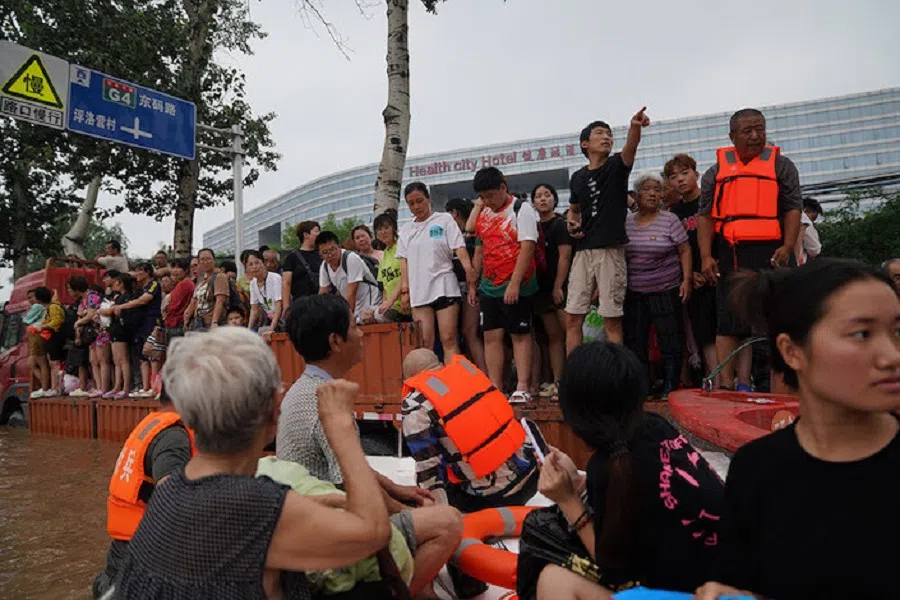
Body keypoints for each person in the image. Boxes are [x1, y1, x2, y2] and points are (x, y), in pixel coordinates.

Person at [111, 327, 393, 599]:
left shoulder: (170, 491)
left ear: (191, 417)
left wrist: (313, 505)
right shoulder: (259, 507)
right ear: (273, 412)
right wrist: (339, 426)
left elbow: (226, 530)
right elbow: (374, 532)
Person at [695, 259, 900, 600]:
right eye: (862, 334)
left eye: (897, 331)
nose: (891, 355)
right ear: (792, 351)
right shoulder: (757, 469)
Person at [278, 294, 464, 597]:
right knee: (448, 522)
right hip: (329, 532)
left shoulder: (306, 390)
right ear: (336, 341)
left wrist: (396, 488)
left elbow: (346, 467)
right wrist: (406, 509)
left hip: (313, 519)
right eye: (355, 326)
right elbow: (349, 485)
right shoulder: (327, 403)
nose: (362, 333)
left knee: (423, 511)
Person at [525, 342, 724, 600]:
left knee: (550, 572)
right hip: (732, 580)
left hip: (693, 592)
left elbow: (614, 570)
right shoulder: (655, 427)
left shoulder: (607, 467)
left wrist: (567, 500)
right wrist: (580, 482)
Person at [697, 108, 802, 391]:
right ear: (732, 136)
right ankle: (725, 387)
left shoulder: (782, 166)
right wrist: (706, 256)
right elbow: (705, 216)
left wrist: (788, 246)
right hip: (731, 252)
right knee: (728, 322)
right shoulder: (715, 172)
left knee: (780, 320)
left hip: (775, 252)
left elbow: (793, 207)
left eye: (760, 130)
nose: (756, 136)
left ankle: (783, 390)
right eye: (748, 131)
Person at [401, 348, 538, 509]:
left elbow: (427, 464)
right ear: (439, 364)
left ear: (410, 378)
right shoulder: (468, 372)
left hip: (496, 496)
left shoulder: (415, 402)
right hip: (533, 477)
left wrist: (436, 510)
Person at [92, 386, 194, 598]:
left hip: (122, 558)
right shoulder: (174, 437)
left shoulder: (153, 424)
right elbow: (171, 498)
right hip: (139, 570)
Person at [565, 107, 651, 351]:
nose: (607, 138)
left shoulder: (616, 167)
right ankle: (575, 378)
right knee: (572, 318)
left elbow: (630, 149)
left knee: (612, 321)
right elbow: (574, 209)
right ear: (585, 144)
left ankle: (618, 379)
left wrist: (635, 127)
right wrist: (572, 223)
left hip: (610, 252)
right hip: (582, 253)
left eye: (610, 134)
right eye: (600, 134)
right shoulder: (577, 177)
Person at [469, 167, 539, 402]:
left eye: (490, 195)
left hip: (517, 283)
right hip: (489, 286)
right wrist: (473, 283)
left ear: (503, 187)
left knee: (519, 334)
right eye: (482, 197)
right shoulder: (484, 213)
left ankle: (522, 386)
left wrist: (515, 284)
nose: (487, 201)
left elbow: (527, 247)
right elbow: (479, 248)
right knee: (491, 335)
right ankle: (496, 387)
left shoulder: (521, 209)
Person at [623, 172, 692, 399]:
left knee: (670, 339)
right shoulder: (627, 222)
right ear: (637, 194)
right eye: (647, 189)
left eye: (657, 190)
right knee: (636, 341)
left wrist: (686, 280)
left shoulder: (669, 220)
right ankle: (643, 386)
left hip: (666, 287)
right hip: (635, 291)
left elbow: (684, 250)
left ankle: (670, 386)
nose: (653, 194)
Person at [398, 182, 474, 362]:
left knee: (448, 338)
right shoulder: (406, 230)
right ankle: (432, 386)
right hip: (419, 291)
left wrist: (469, 271)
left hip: (444, 285)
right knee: (425, 341)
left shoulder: (444, 220)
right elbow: (404, 260)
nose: (416, 206)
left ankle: (454, 383)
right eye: (411, 203)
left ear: (428, 198)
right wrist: (404, 290)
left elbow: (459, 248)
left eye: (420, 201)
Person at [666, 153, 719, 388]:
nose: (680, 180)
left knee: (728, 329)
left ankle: (736, 381)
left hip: (719, 273)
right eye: (673, 177)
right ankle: (715, 382)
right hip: (694, 280)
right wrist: (690, 274)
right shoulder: (673, 213)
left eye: (685, 173)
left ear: (696, 174)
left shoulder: (711, 201)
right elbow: (676, 251)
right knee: (703, 333)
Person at [531, 183, 572, 400]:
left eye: (547, 194)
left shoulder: (560, 225)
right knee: (553, 337)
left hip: (561, 287)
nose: (543, 199)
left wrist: (559, 285)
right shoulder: (534, 227)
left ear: (555, 199)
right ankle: (558, 382)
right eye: (538, 196)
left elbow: (564, 257)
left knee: (570, 333)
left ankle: (575, 380)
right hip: (541, 289)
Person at [445, 197, 486, 372]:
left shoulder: (470, 236)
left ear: (454, 213)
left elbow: (476, 264)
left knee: (470, 332)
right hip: (457, 289)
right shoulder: (459, 236)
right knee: (465, 333)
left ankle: (485, 376)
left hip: (471, 288)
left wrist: (472, 287)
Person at [114, 263, 162, 398]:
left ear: (147, 272)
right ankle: (145, 387)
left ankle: (154, 387)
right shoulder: (139, 288)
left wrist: (123, 306)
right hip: (141, 323)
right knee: (142, 356)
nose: (137, 274)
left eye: (139, 271)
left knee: (152, 354)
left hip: (152, 321)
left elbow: (144, 300)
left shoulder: (153, 285)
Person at [317, 231, 383, 325]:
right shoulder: (324, 266)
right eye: (325, 252)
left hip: (371, 305)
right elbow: (322, 294)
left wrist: (346, 321)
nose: (330, 255)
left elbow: (352, 293)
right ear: (320, 254)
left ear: (339, 247)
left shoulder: (351, 258)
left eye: (333, 249)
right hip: (354, 309)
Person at [100, 273, 138, 399]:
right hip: (115, 329)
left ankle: (126, 387)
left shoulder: (126, 297)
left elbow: (109, 311)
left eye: (117, 282)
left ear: (122, 283)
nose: (114, 284)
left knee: (123, 359)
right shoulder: (119, 297)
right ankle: (117, 386)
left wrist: (103, 311)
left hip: (122, 330)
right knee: (116, 360)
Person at [28, 287, 65, 398]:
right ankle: (54, 387)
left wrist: (42, 326)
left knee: (55, 364)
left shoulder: (53, 307)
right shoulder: (52, 305)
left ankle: (56, 388)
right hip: (51, 338)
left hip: (55, 337)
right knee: (52, 363)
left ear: (39, 299)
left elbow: (57, 321)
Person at [373, 213, 411, 323]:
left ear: (394, 228)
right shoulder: (384, 255)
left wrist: (390, 301)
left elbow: (405, 276)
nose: (383, 232)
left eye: (386, 227)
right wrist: (385, 304)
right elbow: (385, 286)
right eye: (379, 229)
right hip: (392, 306)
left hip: (405, 302)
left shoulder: (401, 247)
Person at [69, 275, 102, 397]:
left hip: (97, 332)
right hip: (88, 334)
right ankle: (96, 386)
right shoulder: (83, 299)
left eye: (70, 288)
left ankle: (100, 387)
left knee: (99, 361)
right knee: (92, 361)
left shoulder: (91, 297)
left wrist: (78, 322)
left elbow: (90, 314)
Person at [184, 248, 230, 330]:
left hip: (210, 323)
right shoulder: (201, 278)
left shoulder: (220, 276)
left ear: (214, 260)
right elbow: (194, 299)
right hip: (198, 322)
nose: (206, 262)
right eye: (202, 259)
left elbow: (220, 301)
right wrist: (187, 316)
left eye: (208, 259)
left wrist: (214, 322)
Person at [282, 220, 323, 308]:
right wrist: (286, 305)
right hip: (300, 305)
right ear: (306, 234)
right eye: (316, 231)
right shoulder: (292, 257)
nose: (319, 234)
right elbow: (286, 283)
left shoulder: (323, 254)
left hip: (322, 303)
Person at [246, 250, 283, 331]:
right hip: (271, 319)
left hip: (282, 319)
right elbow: (254, 310)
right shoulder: (253, 283)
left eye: (257, 263)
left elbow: (278, 305)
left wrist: (271, 329)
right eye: (250, 264)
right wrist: (248, 330)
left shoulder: (275, 278)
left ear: (263, 264)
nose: (254, 267)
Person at [162, 258, 193, 345]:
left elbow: (173, 306)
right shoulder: (181, 283)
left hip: (176, 324)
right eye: (173, 267)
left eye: (178, 268)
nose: (174, 271)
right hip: (174, 324)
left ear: (186, 270)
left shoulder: (184, 284)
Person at [24, 289, 47, 398]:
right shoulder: (40, 307)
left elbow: (26, 320)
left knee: (41, 362)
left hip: (37, 334)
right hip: (34, 335)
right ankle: (45, 386)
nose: (30, 300)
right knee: (32, 364)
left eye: (32, 297)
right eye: (28, 298)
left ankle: (45, 387)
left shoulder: (37, 306)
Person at [795, 197, 823, 265]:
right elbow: (814, 250)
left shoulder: (787, 215)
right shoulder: (805, 221)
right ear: (805, 210)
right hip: (799, 263)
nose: (812, 222)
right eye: (813, 218)